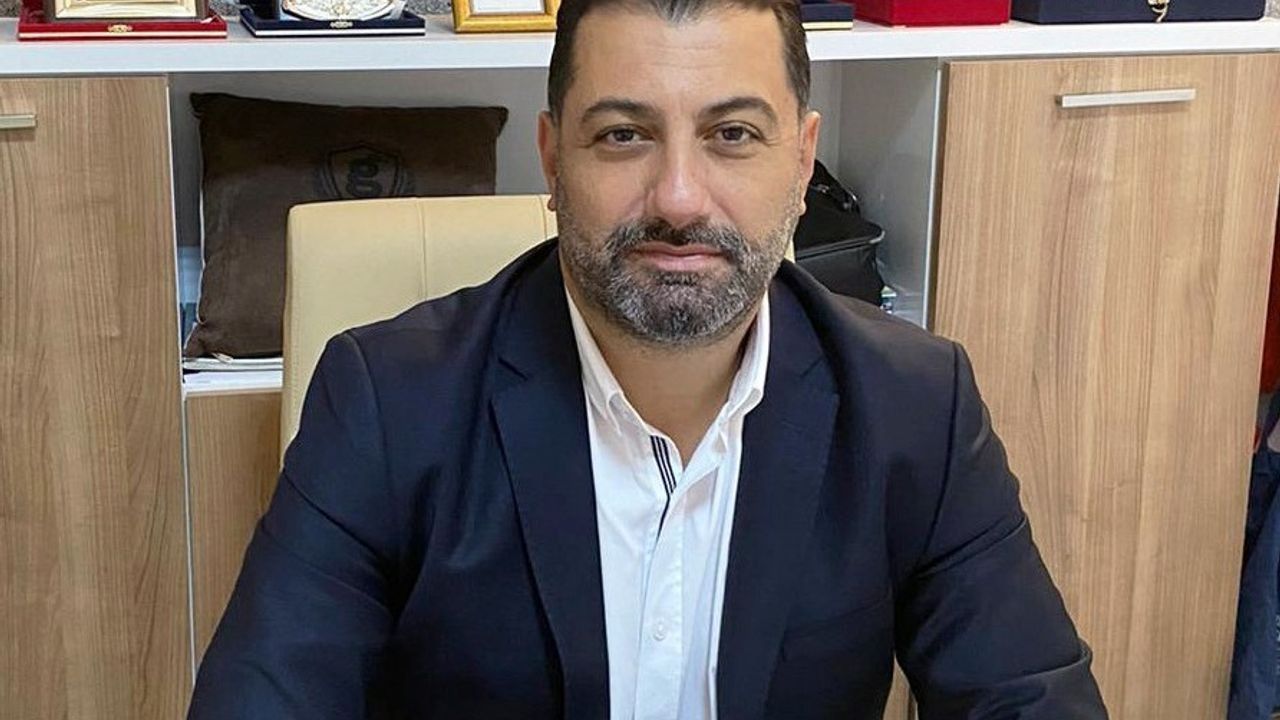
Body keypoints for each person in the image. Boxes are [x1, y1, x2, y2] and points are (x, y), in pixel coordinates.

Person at [188, 0, 1109, 716]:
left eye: (732, 135)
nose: (678, 198)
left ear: (802, 162)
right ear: (554, 162)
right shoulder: (388, 404)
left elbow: (1027, 699)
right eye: (623, 134)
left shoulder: (917, 407)